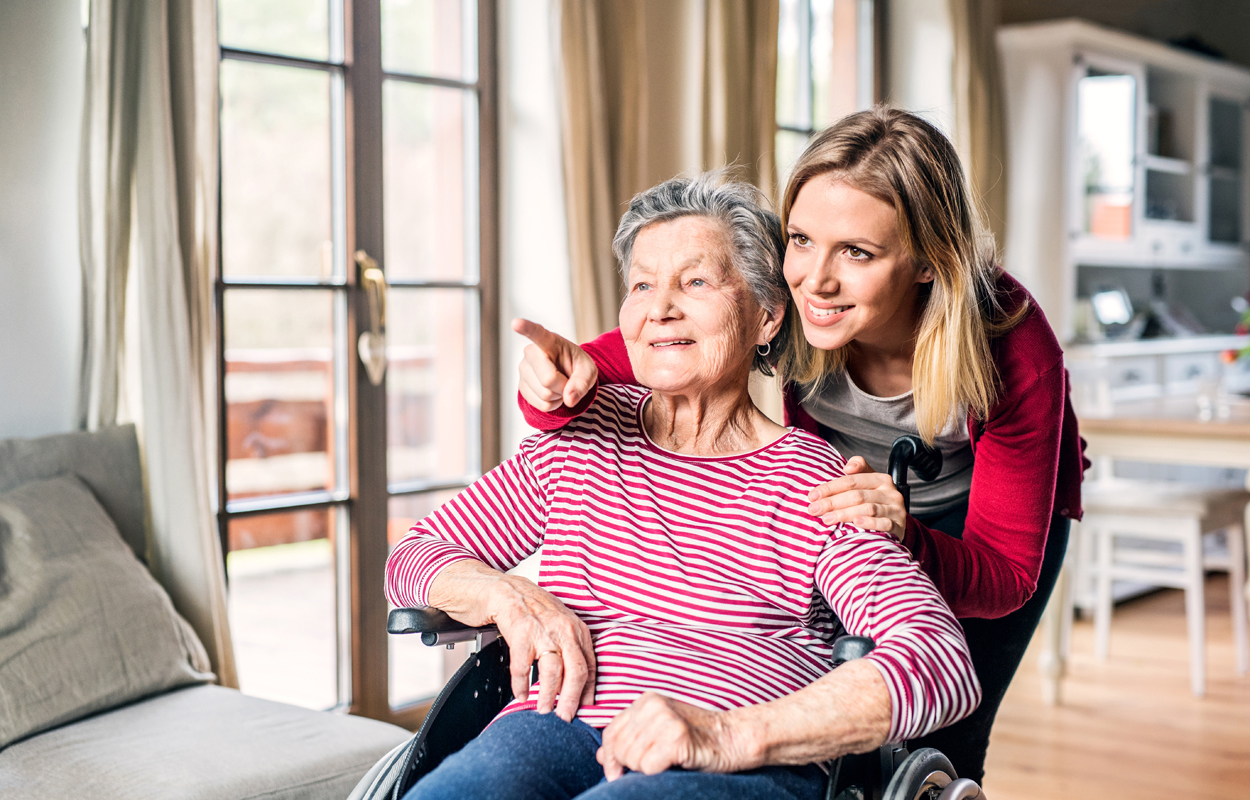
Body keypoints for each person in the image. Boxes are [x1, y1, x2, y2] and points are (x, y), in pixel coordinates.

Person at [515, 107, 1088, 783]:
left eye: (857, 252)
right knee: (835, 711)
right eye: (802, 239)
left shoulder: (1011, 351)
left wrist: (907, 535)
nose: (815, 279)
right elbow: (609, 364)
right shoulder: (788, 306)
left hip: (983, 532)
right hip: (851, 512)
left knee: (948, 734)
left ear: (929, 263)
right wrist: (547, 388)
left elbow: (1005, 577)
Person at [387, 174, 980, 800]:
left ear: (767, 316)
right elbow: (414, 555)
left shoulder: (816, 482)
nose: (659, 307)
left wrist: (727, 736)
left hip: (734, 760)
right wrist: (507, 595)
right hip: (552, 729)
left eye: (695, 282)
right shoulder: (581, 439)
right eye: (642, 284)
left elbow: (939, 658)